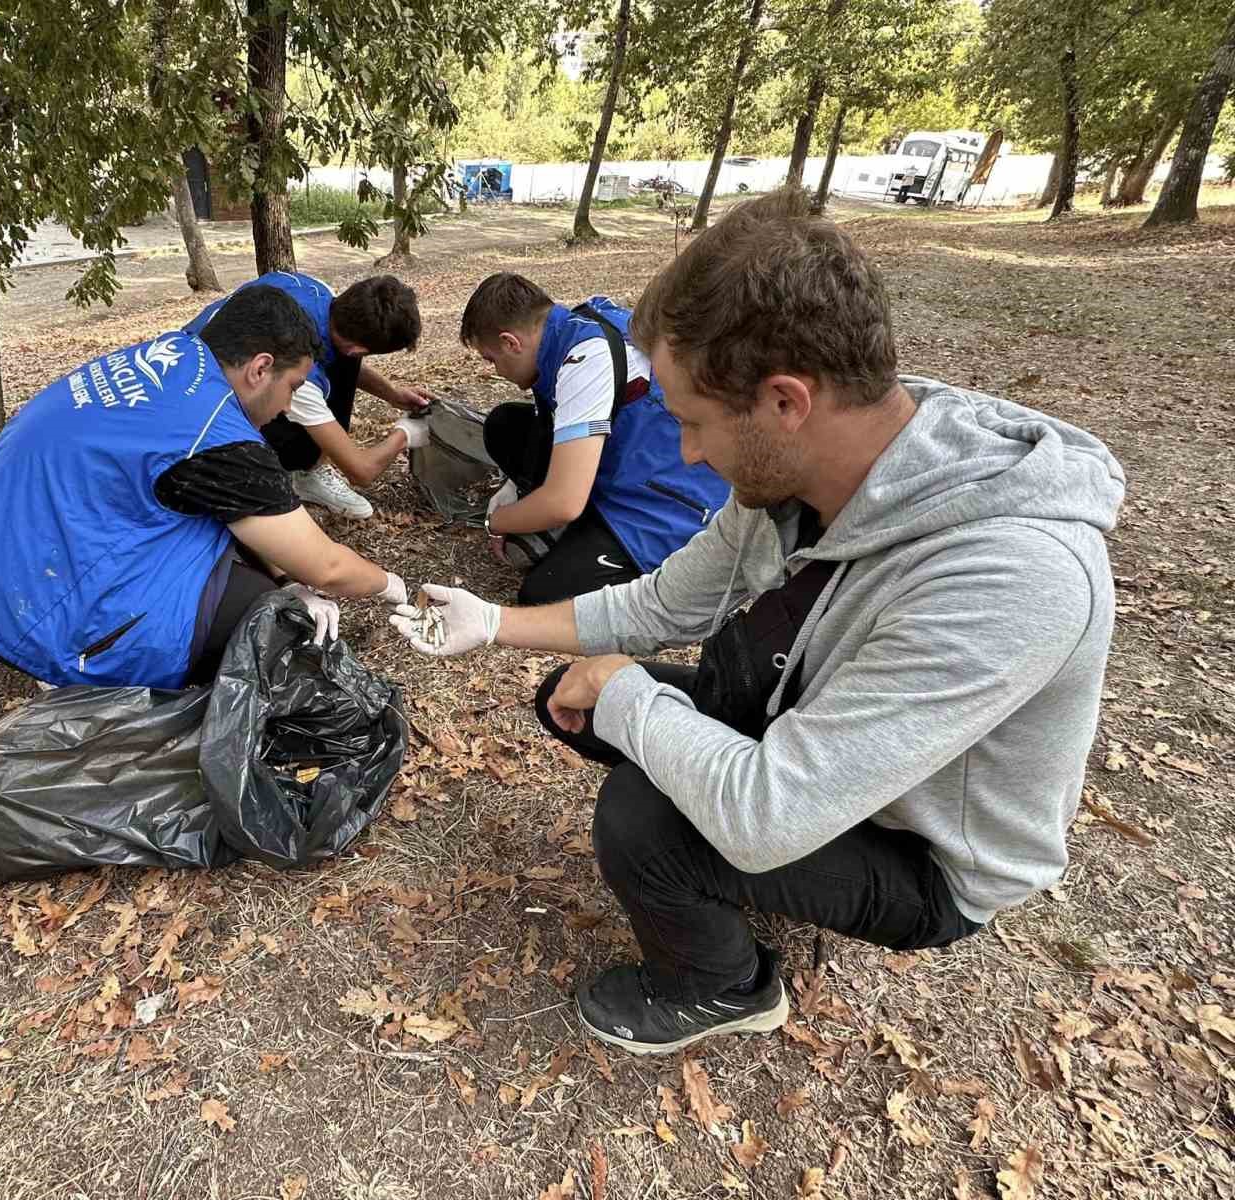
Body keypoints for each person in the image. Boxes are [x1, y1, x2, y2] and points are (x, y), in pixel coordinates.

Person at [392, 187, 1123, 1057]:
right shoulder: (797, 476)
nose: (690, 454)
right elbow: (661, 603)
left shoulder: (1010, 576)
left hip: (923, 852)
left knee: (644, 815)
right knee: (577, 699)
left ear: (785, 402)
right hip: (816, 729)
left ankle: (722, 988)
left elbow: (767, 813)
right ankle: (728, 881)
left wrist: (629, 693)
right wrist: (494, 624)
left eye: (695, 424)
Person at [0, 285, 408, 691]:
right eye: (294, 386)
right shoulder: (215, 437)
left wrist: (286, 578)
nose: (287, 408)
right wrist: (389, 585)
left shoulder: (173, 354)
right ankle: (73, 657)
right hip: (30, 609)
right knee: (266, 619)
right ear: (260, 369)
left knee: (233, 546)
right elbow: (326, 566)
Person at [459, 273, 730, 605]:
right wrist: (513, 489)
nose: (495, 370)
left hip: (669, 499)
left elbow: (564, 502)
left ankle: (603, 539)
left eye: (491, 359)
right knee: (504, 425)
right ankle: (570, 523)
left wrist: (495, 521)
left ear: (510, 343)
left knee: (543, 594)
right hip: (625, 455)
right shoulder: (574, 326)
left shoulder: (584, 359)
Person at [184, 271, 433, 520]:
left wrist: (393, 395)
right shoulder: (292, 370)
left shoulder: (316, 292)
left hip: (194, 361)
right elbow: (362, 471)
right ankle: (301, 473)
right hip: (199, 420)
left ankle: (305, 470)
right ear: (358, 349)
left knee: (341, 364)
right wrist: (407, 432)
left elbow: (344, 357)